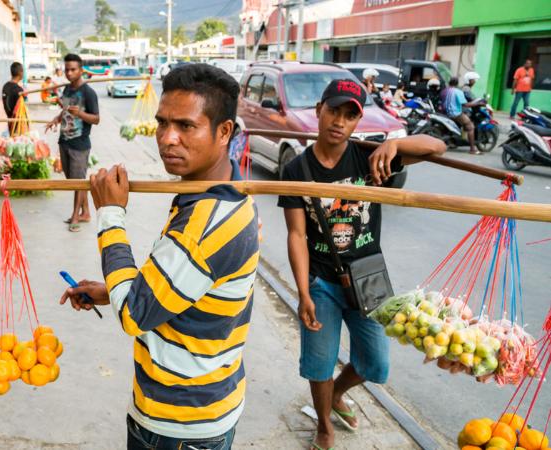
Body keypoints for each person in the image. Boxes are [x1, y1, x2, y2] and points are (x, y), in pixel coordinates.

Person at [60, 64, 258, 450]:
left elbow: (134, 315)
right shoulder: (219, 193)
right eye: (162, 123)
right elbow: (180, 287)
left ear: (224, 132)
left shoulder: (208, 222)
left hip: (179, 421)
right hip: (203, 404)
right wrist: (114, 289)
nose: (168, 138)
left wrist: (110, 214)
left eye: (186, 126)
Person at [278, 78, 445, 450]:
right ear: (319, 110)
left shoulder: (370, 158)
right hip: (321, 282)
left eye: (350, 116)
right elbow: (295, 236)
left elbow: (438, 145)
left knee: (375, 366)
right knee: (318, 363)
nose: (339, 121)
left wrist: (395, 143)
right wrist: (303, 292)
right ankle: (323, 424)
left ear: (357, 121)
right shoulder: (297, 172)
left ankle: (335, 395)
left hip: (368, 281)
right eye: (334, 111)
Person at [46, 54, 100, 232]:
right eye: (67, 69)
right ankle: (86, 212)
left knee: (77, 182)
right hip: (64, 141)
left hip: (80, 144)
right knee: (73, 180)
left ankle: (76, 216)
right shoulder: (68, 89)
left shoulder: (88, 93)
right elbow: (66, 109)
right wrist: (56, 119)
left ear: (81, 70)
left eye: (73, 69)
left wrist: (81, 115)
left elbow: (96, 119)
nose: (69, 73)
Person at [445, 77, 479, 155]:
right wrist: (477, 103)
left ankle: (453, 142)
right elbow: (465, 104)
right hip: (455, 113)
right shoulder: (458, 91)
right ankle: (472, 149)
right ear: (457, 84)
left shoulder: (446, 90)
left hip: (446, 112)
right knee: (470, 127)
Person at [2, 62, 24, 134]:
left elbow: (7, 105)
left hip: (10, 122)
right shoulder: (19, 90)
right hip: (18, 125)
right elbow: (20, 110)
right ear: (20, 72)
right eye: (23, 71)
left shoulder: (5, 86)